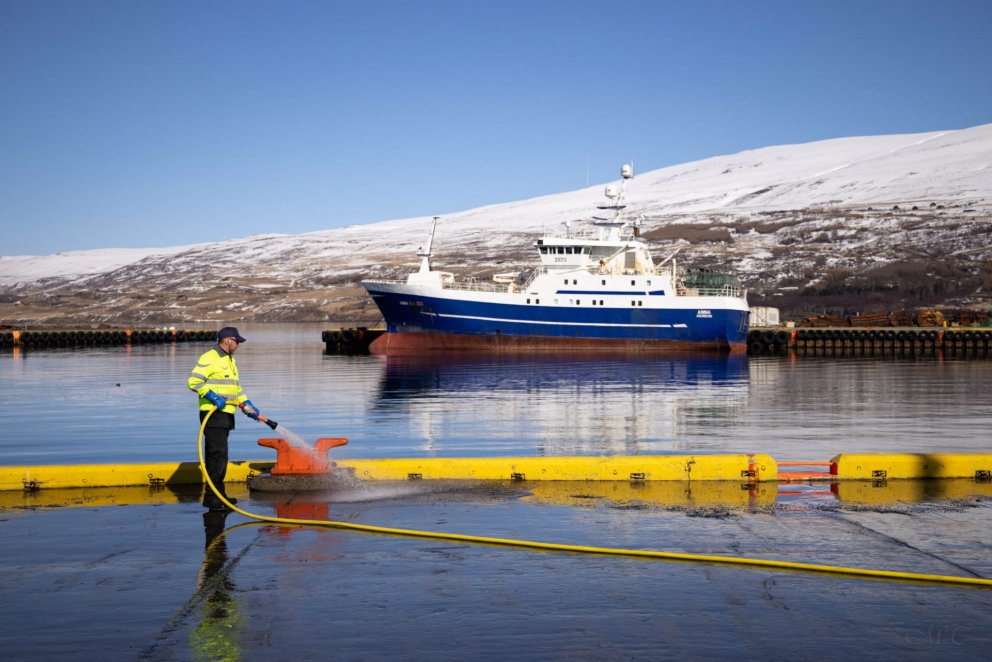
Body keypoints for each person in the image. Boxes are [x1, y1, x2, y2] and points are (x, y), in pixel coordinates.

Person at [187, 326, 262, 511]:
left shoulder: (229, 360)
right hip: (212, 413)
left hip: (227, 413)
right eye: (237, 341)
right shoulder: (209, 357)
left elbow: (235, 389)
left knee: (221, 456)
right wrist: (212, 396)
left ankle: (219, 496)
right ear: (227, 340)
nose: (238, 345)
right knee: (216, 456)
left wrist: (246, 404)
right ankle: (212, 498)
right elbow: (194, 382)